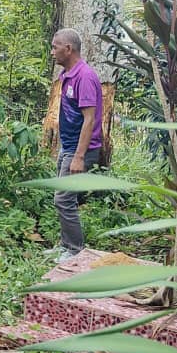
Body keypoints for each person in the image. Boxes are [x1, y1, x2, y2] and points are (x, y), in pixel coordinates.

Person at [49, 28, 103, 262]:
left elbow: (89, 118)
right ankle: (66, 245)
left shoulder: (84, 77)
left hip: (80, 149)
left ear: (68, 49)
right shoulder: (67, 75)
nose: (52, 52)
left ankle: (74, 250)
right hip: (68, 146)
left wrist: (79, 156)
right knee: (62, 197)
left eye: (55, 47)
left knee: (63, 198)